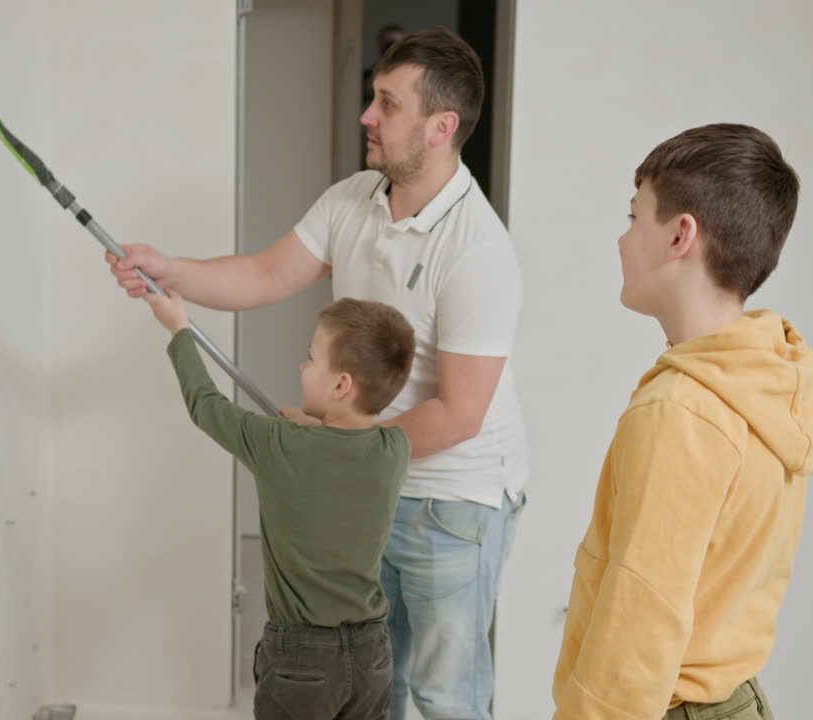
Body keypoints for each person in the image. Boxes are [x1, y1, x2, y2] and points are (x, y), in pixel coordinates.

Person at [108, 27, 527, 720]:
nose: (367, 115)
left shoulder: (477, 250)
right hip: (376, 487)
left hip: (453, 502)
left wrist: (333, 451)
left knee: (445, 696)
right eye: (372, 98)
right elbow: (268, 274)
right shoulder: (355, 199)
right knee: (378, 689)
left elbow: (460, 413)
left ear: (440, 126)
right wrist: (169, 270)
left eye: (388, 104)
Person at [552, 124, 813, 720]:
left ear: (680, 235)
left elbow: (637, 630)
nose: (622, 240)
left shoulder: (679, 412)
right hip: (736, 700)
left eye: (633, 217)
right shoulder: (770, 376)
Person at [144, 291, 414, 719]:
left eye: (311, 359)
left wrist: (179, 328)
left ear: (341, 384)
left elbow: (205, 404)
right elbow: (344, 443)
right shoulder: (395, 448)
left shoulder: (277, 443)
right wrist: (314, 426)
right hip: (372, 655)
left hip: (304, 662)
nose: (301, 367)